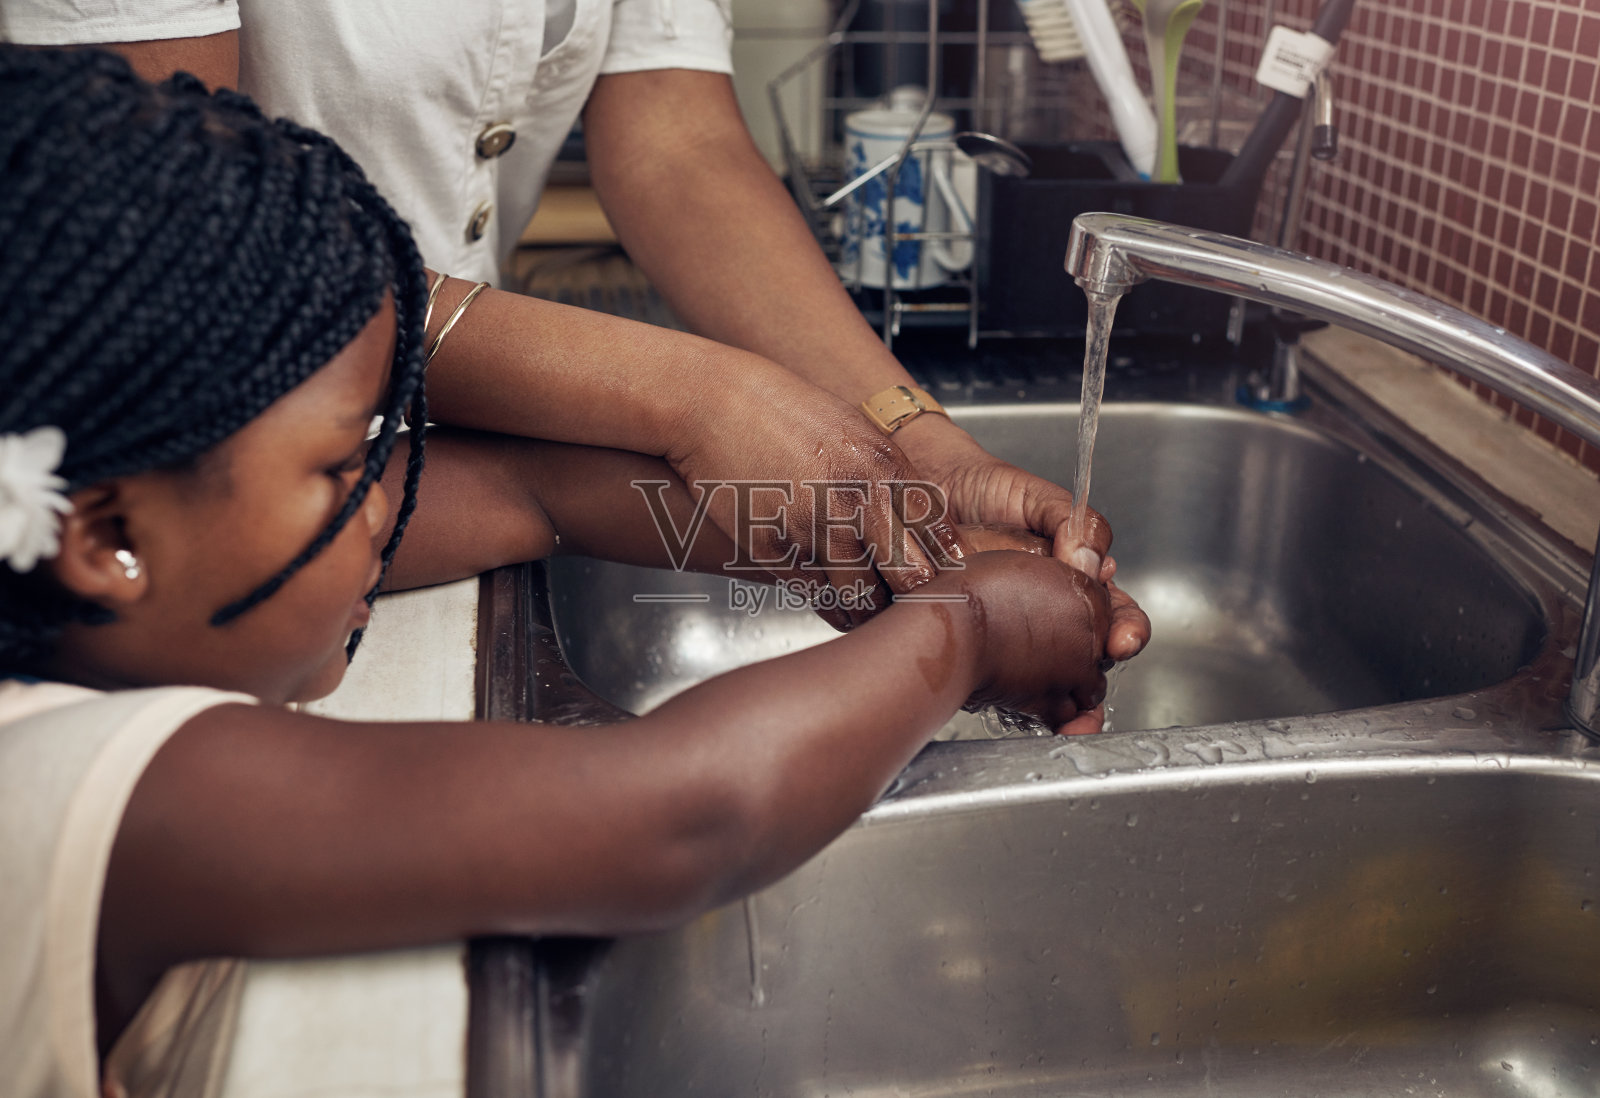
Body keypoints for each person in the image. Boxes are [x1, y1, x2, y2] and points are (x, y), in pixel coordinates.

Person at [0, 48, 1122, 1098]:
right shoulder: (100, 785)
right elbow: (686, 817)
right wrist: (963, 630)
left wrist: (891, 527)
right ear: (104, 542)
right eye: (351, 461)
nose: (391, 497)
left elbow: (533, 499)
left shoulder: (104, 632)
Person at [0, 0, 1154, 649]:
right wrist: (694, 395)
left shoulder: (442, 503)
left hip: (398, 480)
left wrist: (915, 458)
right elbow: (172, 222)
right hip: (215, 493)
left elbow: (677, 143)